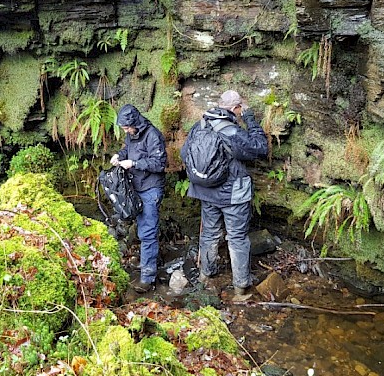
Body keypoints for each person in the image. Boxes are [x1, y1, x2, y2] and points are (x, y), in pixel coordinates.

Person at [181, 90, 268, 298]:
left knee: (209, 234)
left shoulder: (200, 125)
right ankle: (241, 288)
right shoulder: (230, 131)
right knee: (237, 238)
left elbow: (185, 153)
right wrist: (250, 119)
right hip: (232, 196)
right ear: (235, 108)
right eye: (240, 109)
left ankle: (206, 276)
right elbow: (260, 147)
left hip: (206, 192)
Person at [110, 104, 167, 293]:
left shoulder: (153, 135)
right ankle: (145, 262)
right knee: (135, 227)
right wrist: (119, 156)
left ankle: (147, 278)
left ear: (135, 123)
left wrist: (134, 163)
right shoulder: (131, 134)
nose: (125, 131)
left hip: (151, 189)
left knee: (148, 232)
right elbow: (128, 149)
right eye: (124, 129)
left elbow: (159, 163)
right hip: (135, 188)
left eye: (127, 128)